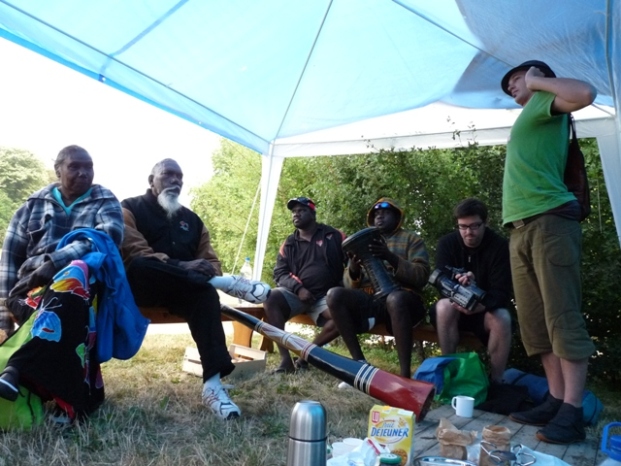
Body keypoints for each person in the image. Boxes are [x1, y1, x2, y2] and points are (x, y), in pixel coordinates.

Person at [120, 158, 269, 420]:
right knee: (141, 265)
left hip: (184, 291)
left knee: (205, 295)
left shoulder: (192, 220)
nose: (176, 181)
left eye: (180, 177)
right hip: (143, 287)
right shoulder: (129, 208)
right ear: (151, 180)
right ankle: (225, 285)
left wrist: (208, 272)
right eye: (168, 175)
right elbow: (134, 252)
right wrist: (184, 266)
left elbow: (211, 261)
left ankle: (213, 387)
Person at [500, 60, 597, 444]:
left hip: (549, 223)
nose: (511, 85)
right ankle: (555, 400)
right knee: (537, 324)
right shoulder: (532, 113)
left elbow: (586, 93)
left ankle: (571, 412)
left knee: (562, 317)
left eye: (516, 79)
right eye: (508, 83)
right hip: (521, 229)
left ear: (539, 77)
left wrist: (539, 80)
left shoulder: (544, 100)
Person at [0, 145, 126, 424]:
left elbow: (105, 241)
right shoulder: (32, 205)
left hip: (88, 287)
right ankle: (73, 400)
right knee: (64, 305)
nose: (83, 173)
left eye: (88, 167)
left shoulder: (104, 200)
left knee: (76, 275)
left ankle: (17, 369)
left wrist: (55, 263)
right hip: (31, 292)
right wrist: (2, 323)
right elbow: (9, 260)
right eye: (74, 167)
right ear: (58, 170)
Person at [327, 198, 429, 378]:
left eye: (386, 212)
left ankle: (404, 375)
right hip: (373, 301)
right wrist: (353, 268)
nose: (379, 215)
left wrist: (390, 257)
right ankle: (359, 365)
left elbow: (421, 276)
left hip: (406, 300)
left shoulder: (411, 239)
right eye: (376, 213)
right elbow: (348, 285)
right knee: (334, 295)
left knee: (395, 298)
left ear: (397, 216)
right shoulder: (362, 242)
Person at [429, 198, 512, 384]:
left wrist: (479, 300)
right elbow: (439, 280)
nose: (468, 232)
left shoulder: (499, 247)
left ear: (485, 223)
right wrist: (458, 289)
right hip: (454, 310)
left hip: (484, 312)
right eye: (463, 226)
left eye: (474, 226)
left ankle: (496, 381)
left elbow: (502, 292)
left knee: (503, 318)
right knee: (443, 307)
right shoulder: (447, 243)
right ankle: (448, 372)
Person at [264, 197, 346, 373]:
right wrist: (299, 288)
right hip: (297, 295)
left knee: (342, 318)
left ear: (312, 213)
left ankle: (303, 357)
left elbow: (353, 260)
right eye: (294, 212)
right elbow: (280, 273)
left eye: (301, 210)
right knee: (271, 297)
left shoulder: (333, 236)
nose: (296, 214)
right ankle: (286, 362)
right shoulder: (289, 243)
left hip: (326, 296)